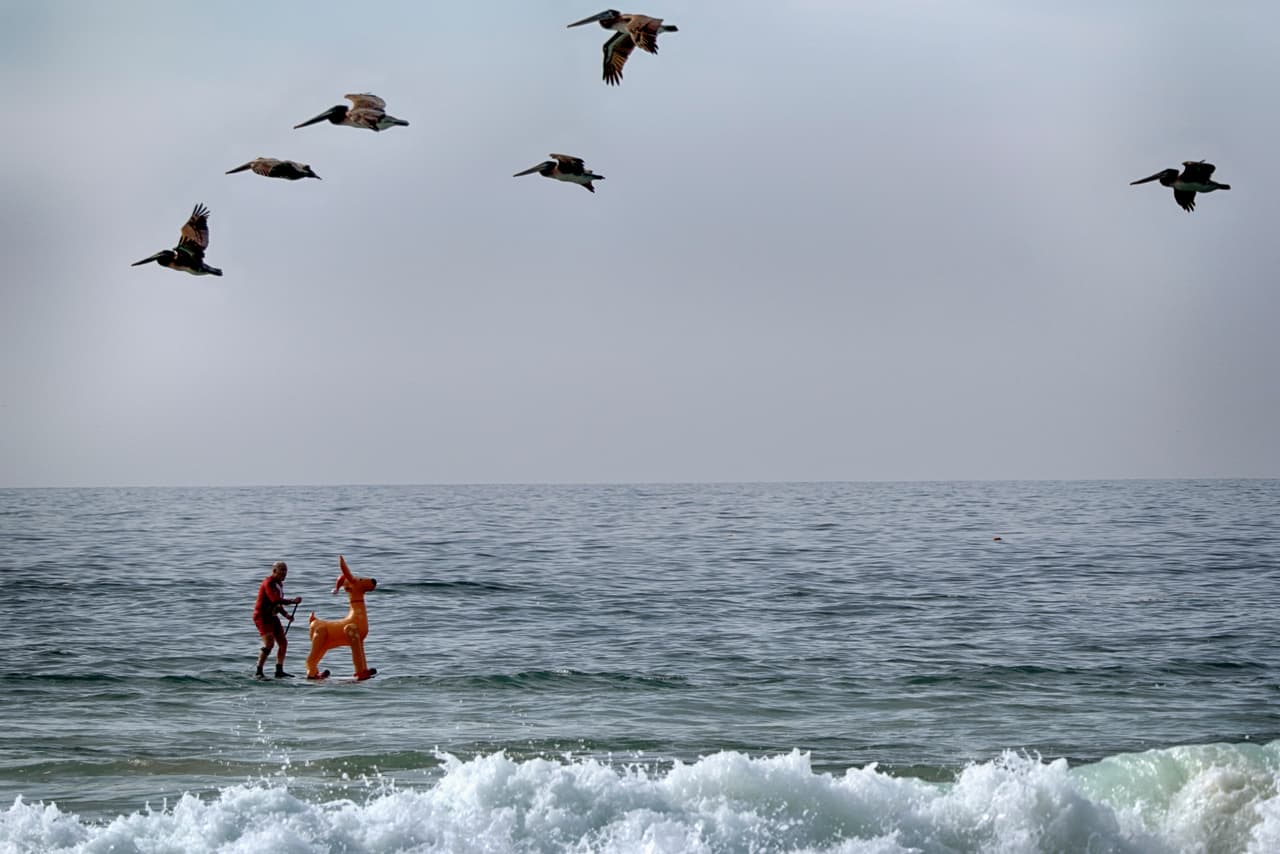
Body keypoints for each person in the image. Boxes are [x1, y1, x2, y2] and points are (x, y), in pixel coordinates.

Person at [254, 561, 303, 678]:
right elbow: (274, 599)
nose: (284, 573)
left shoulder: (279, 584)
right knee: (269, 644)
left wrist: (286, 615)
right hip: (262, 617)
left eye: (285, 570)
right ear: (274, 571)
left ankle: (279, 670)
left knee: (283, 643)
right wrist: (292, 601)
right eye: (281, 570)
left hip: (273, 616)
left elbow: (277, 605)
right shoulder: (268, 583)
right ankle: (259, 671)